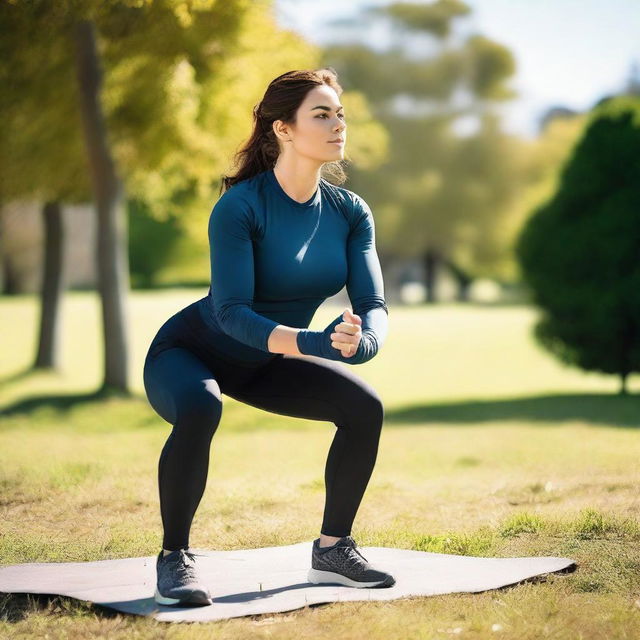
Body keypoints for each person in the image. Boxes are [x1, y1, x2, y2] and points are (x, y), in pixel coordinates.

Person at [143, 67, 395, 607]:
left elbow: (372, 305)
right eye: (321, 115)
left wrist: (362, 343)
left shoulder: (350, 212)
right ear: (283, 128)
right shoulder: (240, 206)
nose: (337, 125)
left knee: (364, 408)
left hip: (267, 360)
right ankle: (174, 560)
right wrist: (315, 342)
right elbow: (231, 313)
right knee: (201, 407)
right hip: (192, 351)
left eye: (340, 114)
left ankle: (332, 550)